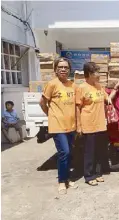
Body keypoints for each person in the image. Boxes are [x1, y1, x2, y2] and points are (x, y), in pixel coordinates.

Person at [76, 62, 119, 186]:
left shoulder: (99, 86)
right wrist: (78, 126)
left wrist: (116, 87)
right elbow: (77, 108)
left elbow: (108, 99)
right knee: (89, 152)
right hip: (88, 125)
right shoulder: (81, 88)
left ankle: (98, 173)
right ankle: (89, 175)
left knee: (100, 151)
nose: (99, 75)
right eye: (96, 72)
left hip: (100, 124)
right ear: (89, 74)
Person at [39, 57, 78, 195]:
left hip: (71, 126)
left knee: (70, 153)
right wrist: (51, 115)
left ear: (69, 70)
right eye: (60, 67)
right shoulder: (52, 84)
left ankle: (67, 178)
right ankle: (62, 181)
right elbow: (42, 103)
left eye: (66, 67)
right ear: (55, 69)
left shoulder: (72, 85)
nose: (63, 69)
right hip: (57, 126)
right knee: (64, 153)